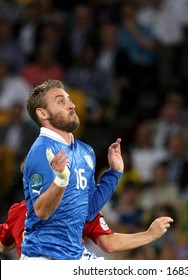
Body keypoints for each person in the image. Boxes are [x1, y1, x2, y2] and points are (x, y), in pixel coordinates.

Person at [21, 79, 124, 260]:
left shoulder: (85, 151)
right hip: (45, 258)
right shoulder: (42, 151)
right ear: (42, 113)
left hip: (74, 255)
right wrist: (61, 179)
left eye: (69, 99)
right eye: (61, 101)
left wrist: (114, 174)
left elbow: (89, 211)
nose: (72, 105)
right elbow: (42, 212)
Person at [0, 200, 173, 259]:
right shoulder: (82, 206)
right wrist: (149, 235)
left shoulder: (19, 209)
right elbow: (109, 244)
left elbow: (4, 244)